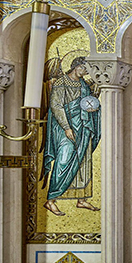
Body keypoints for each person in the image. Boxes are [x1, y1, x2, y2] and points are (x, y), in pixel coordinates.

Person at [42, 56, 101, 216]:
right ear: (76, 66)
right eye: (84, 68)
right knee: (64, 159)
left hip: (83, 127)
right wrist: (67, 128)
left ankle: (81, 199)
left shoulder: (83, 85)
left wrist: (93, 106)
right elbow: (56, 106)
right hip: (64, 128)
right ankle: (51, 200)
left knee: (84, 160)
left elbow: (87, 103)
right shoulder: (61, 83)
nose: (86, 72)